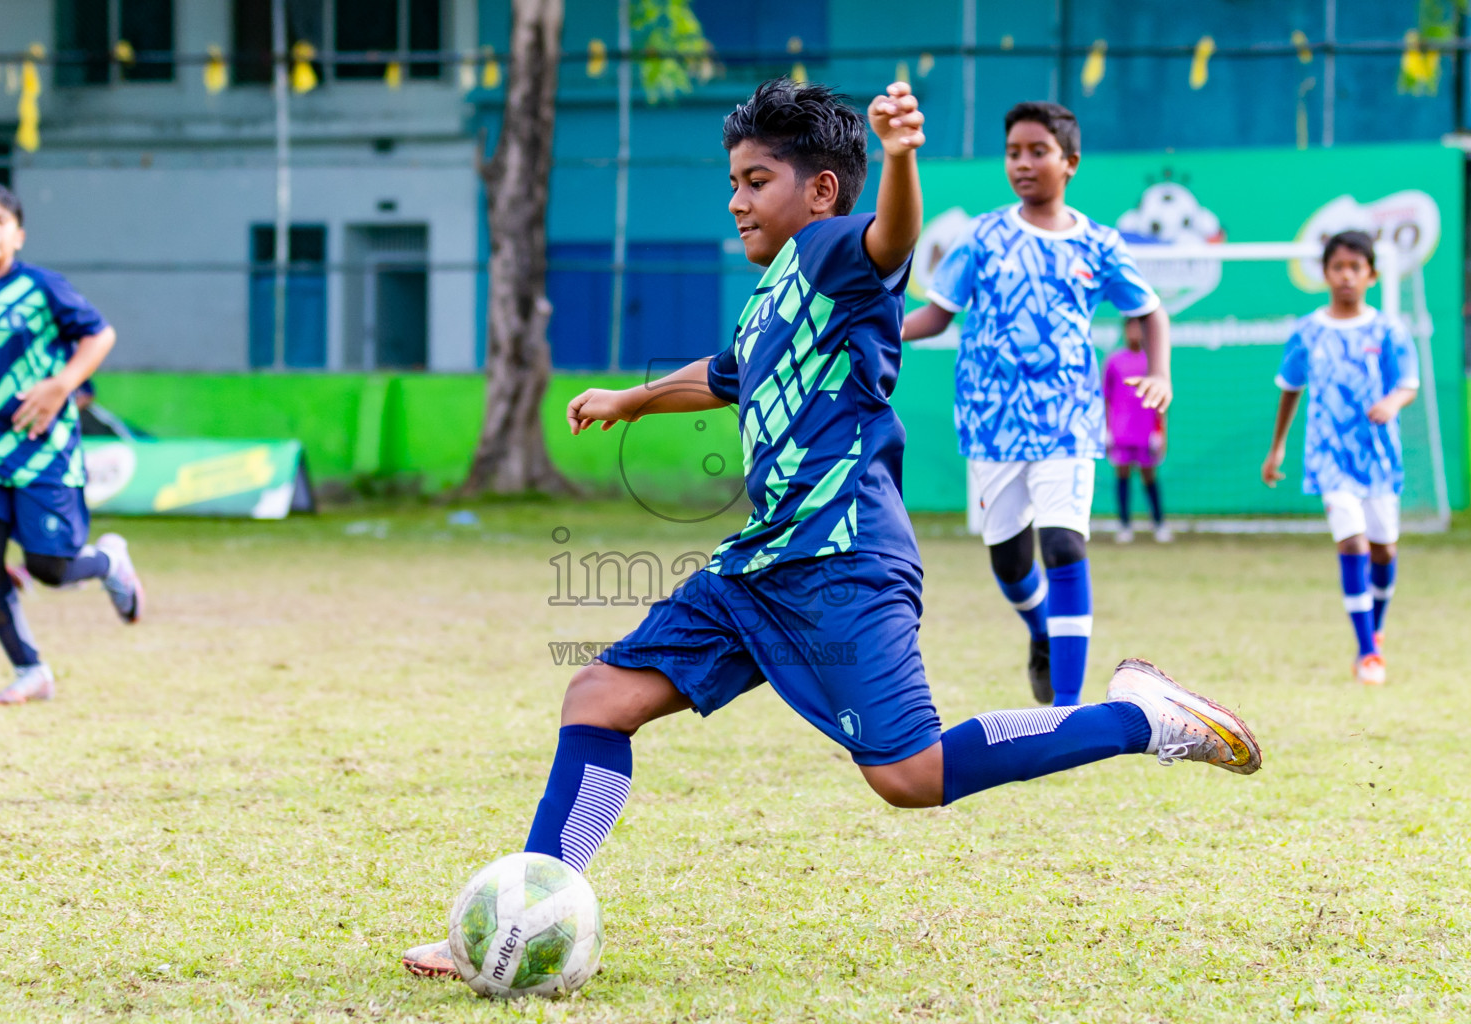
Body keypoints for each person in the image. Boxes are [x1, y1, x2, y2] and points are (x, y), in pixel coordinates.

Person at [400, 79, 1261, 981]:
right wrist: (632, 399)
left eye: (756, 178)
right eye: (733, 180)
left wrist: (898, 157)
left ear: (817, 190)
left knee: (911, 776)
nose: (736, 199)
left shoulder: (836, 249)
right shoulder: (777, 291)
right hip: (763, 563)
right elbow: (726, 373)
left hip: (842, 560)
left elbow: (893, 240)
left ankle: (1138, 717)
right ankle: (529, 914)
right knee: (599, 700)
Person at [902, 101, 1173, 707]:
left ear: (1070, 162)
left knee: (1065, 546)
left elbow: (1149, 310)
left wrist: (1161, 373)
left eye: (1037, 152)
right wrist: (878, 327)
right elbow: (937, 313)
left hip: (1069, 421)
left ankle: (1068, 711)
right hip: (990, 423)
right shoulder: (982, 236)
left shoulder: (1100, 244)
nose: (1023, 164)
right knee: (1009, 560)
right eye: (1013, 152)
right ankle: (1041, 631)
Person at [0, 182, 144, 705]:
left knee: (50, 568)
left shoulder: (42, 288)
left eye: (0, 220)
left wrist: (61, 385)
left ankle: (110, 562)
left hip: (42, 448)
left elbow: (101, 335)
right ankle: (31, 670)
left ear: (18, 235)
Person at [1261, 230, 1418, 686]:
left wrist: (1392, 402)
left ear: (1371, 274)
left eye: (1356, 267)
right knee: (1352, 542)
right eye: (1337, 267)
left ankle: (1377, 625)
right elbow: (1290, 387)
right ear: (1325, 273)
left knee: (1383, 548)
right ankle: (1368, 652)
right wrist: (1277, 447)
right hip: (1329, 456)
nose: (1346, 276)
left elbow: (1408, 382)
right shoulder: (1308, 331)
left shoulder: (1388, 329)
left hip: (1379, 458)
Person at [1104, 317, 1171, 543]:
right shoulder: (1114, 361)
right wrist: (1107, 430)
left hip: (1145, 430)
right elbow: (1106, 398)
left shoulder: (1153, 363)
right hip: (1121, 431)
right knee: (1122, 475)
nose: (1134, 331)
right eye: (1129, 327)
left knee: (1149, 476)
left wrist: (1160, 432)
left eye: (1138, 327)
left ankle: (1159, 524)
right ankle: (1124, 525)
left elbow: (1161, 400)